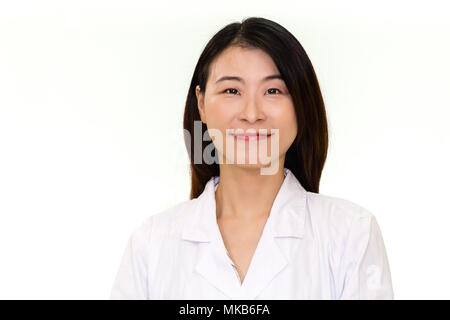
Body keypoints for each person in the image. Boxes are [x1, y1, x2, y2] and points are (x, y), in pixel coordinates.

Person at [110, 17, 394, 300]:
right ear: (201, 104)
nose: (251, 113)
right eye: (231, 90)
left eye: (273, 91)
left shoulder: (351, 234)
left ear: (301, 104)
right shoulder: (151, 245)